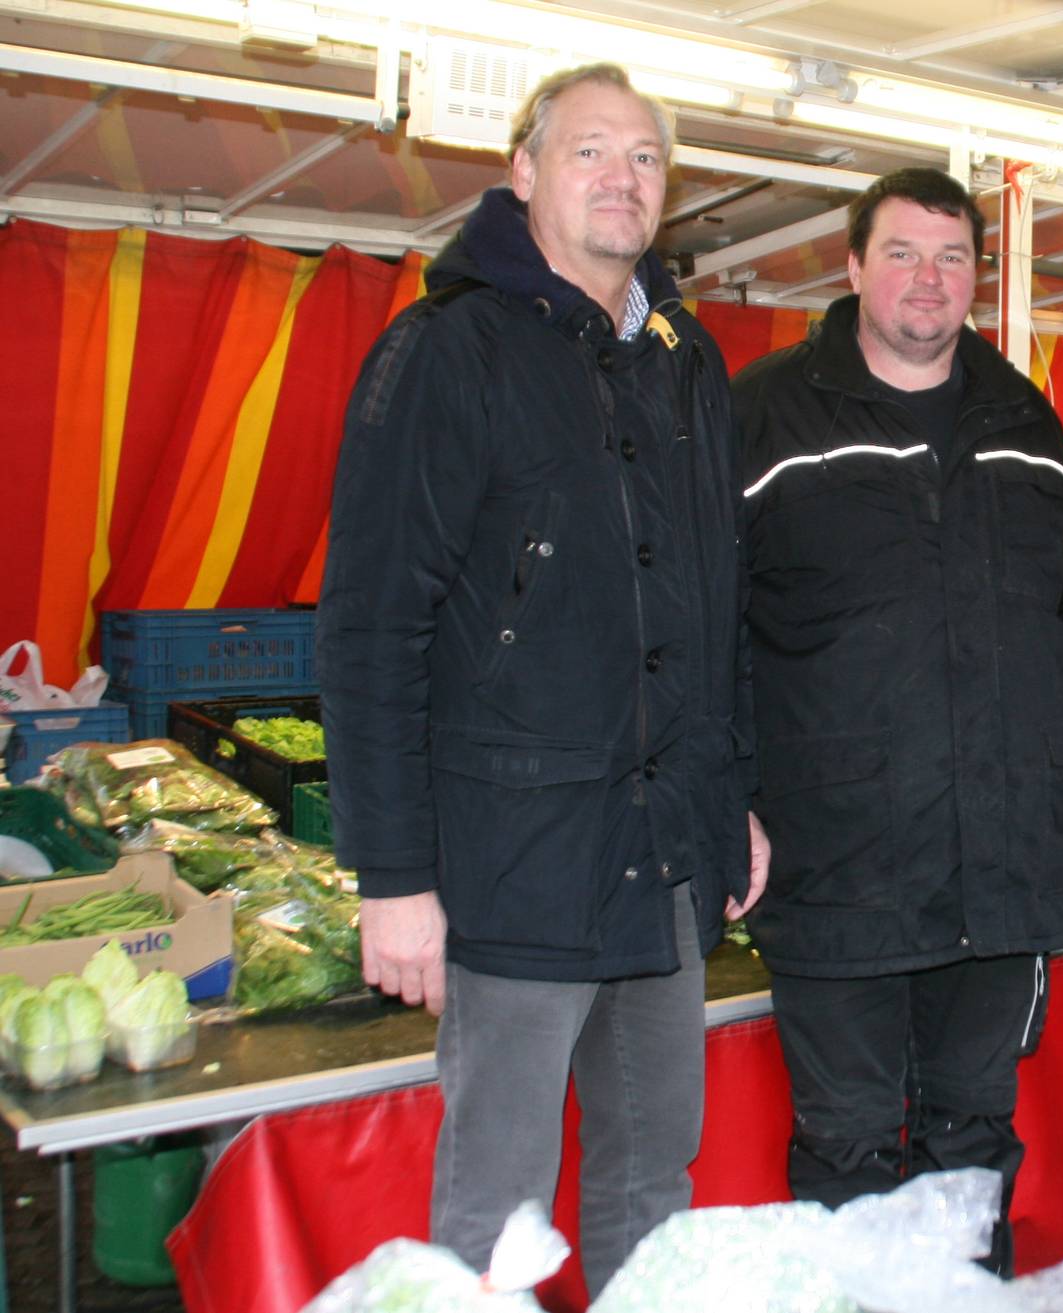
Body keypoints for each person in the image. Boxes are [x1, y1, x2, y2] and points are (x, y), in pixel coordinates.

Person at [316, 63, 765, 1294]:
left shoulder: (686, 362)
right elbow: (368, 628)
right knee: (498, 1203)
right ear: (522, 174)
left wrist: (731, 799)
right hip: (517, 859)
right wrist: (394, 875)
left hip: (665, 855)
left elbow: (713, 609)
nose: (622, 178)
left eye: (646, 159)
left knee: (649, 1179)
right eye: (589, 152)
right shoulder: (446, 353)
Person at [732, 166, 1063, 1275]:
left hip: (999, 864)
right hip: (838, 864)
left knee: (972, 1143)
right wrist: (726, 796)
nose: (926, 280)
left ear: (977, 277)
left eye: (950, 257)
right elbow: (701, 630)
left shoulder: (1025, 417)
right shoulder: (764, 413)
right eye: (901, 252)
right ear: (851, 266)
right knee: (844, 1147)